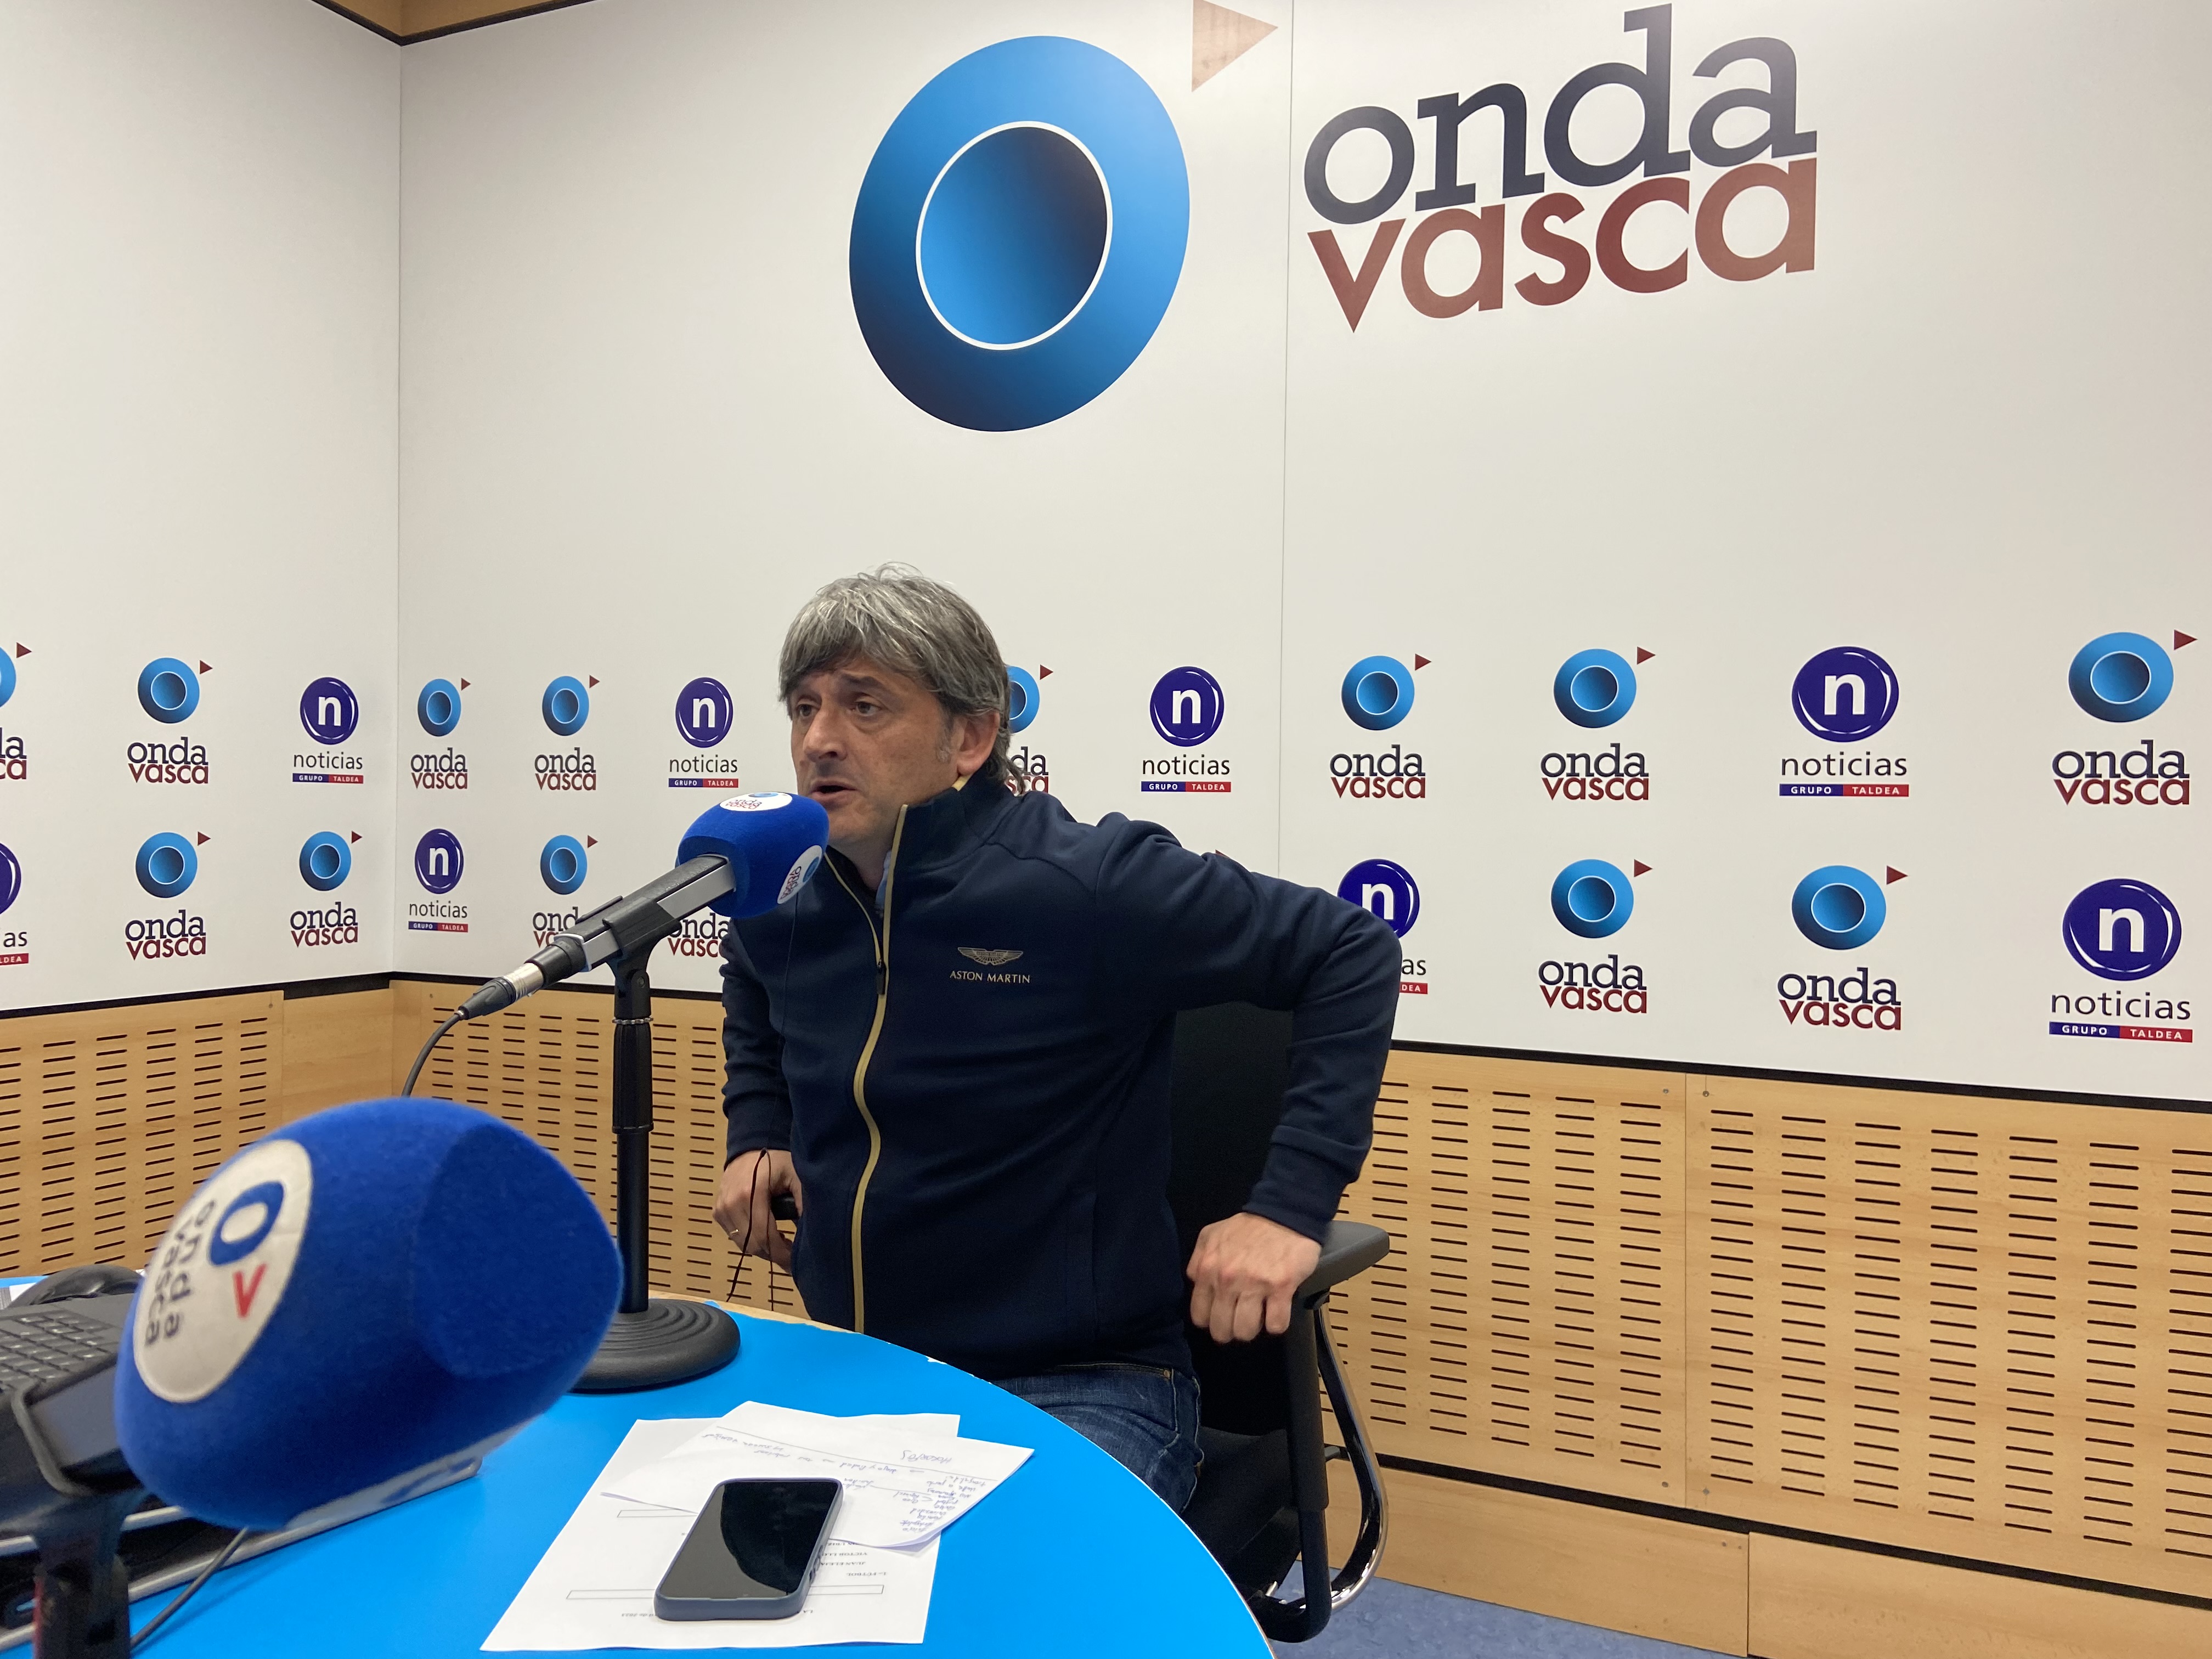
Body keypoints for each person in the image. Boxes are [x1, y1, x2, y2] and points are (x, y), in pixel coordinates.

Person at [714, 566, 1398, 1510]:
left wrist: (1288, 1209)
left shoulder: (1084, 880)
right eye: (804, 708)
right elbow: (753, 975)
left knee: (994, 1584)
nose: (819, 740)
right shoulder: (789, 891)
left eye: (865, 706)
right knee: (729, 1564)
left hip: (1082, 1382)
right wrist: (758, 1128)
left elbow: (1350, 950)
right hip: (865, 1366)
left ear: (970, 738)